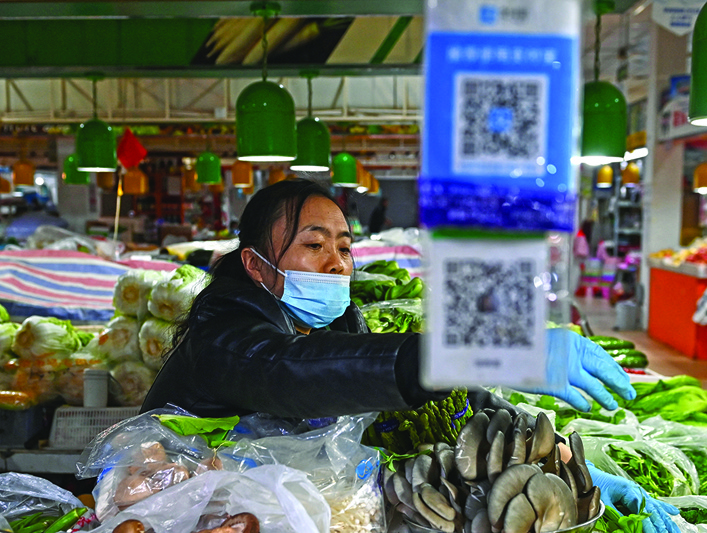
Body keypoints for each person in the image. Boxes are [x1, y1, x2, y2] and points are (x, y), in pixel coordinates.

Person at [141, 179, 678, 533]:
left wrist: (557, 457)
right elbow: (296, 372)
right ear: (256, 266)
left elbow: (421, 400)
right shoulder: (225, 336)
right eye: (313, 244)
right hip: (180, 512)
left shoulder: (335, 321)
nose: (336, 263)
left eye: (345, 247)